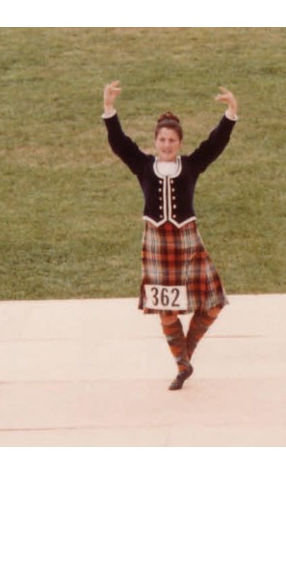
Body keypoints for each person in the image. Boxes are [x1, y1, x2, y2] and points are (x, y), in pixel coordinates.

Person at [102, 80, 238, 391]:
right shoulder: (143, 165)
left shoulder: (191, 165)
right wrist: (109, 108)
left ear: (179, 143)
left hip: (188, 243)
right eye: (162, 140)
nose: (166, 145)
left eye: (172, 140)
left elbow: (214, 145)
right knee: (167, 312)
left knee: (213, 304)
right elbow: (120, 144)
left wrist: (230, 113)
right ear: (155, 141)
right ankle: (182, 365)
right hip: (156, 244)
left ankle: (185, 355)